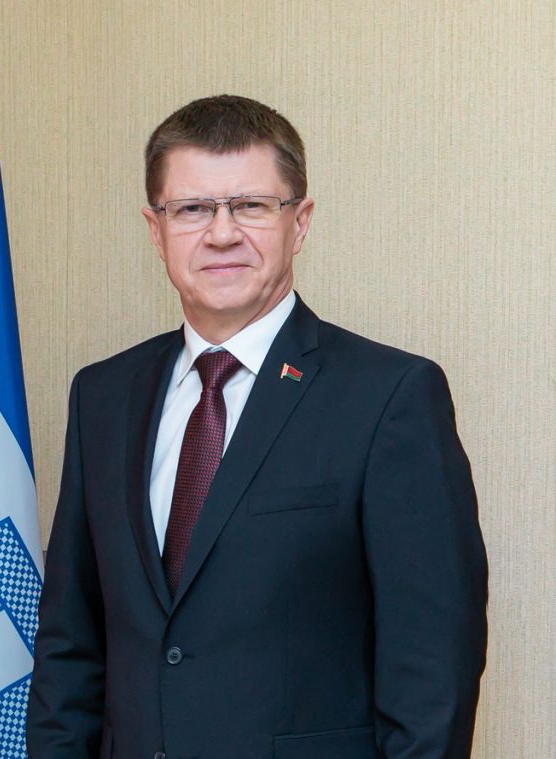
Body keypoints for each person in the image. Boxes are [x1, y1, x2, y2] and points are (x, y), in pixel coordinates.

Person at [26, 95, 487, 759]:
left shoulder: (389, 397)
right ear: (155, 229)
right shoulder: (103, 396)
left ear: (300, 222)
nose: (221, 234)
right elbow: (71, 644)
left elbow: (432, 670)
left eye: (250, 205)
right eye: (192, 209)